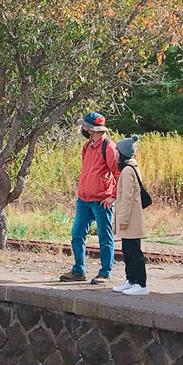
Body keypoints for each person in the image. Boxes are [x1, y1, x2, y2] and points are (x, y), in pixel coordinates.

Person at [59, 111, 117, 284]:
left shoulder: (109, 147)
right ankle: (79, 271)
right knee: (77, 234)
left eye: (85, 126)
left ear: (92, 128)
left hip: (101, 201)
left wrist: (113, 196)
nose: (83, 128)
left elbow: (118, 173)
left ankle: (105, 272)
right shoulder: (87, 146)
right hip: (84, 200)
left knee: (105, 238)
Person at [111, 136, 149, 296]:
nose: (115, 153)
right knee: (128, 250)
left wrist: (123, 220)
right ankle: (131, 280)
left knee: (134, 252)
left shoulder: (127, 171)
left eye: (117, 151)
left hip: (130, 219)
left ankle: (140, 284)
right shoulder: (131, 168)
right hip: (130, 218)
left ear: (123, 153)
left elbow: (126, 198)